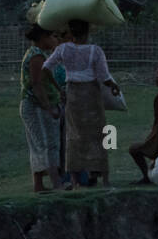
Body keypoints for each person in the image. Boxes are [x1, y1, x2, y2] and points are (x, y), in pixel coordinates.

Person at [44, 19, 121, 190]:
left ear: (71, 33)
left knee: (74, 136)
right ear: (88, 32)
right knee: (97, 135)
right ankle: (104, 178)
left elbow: (46, 68)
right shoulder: (96, 51)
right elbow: (104, 77)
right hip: (91, 96)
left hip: (72, 95)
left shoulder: (63, 49)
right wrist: (114, 86)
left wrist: (60, 89)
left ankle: (73, 179)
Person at [20, 25, 62, 193]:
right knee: (47, 144)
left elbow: (48, 77)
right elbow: (37, 84)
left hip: (35, 105)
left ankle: (39, 184)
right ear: (43, 37)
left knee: (39, 144)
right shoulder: (36, 56)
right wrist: (48, 107)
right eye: (52, 36)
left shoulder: (39, 55)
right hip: (36, 106)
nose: (55, 40)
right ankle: (56, 183)